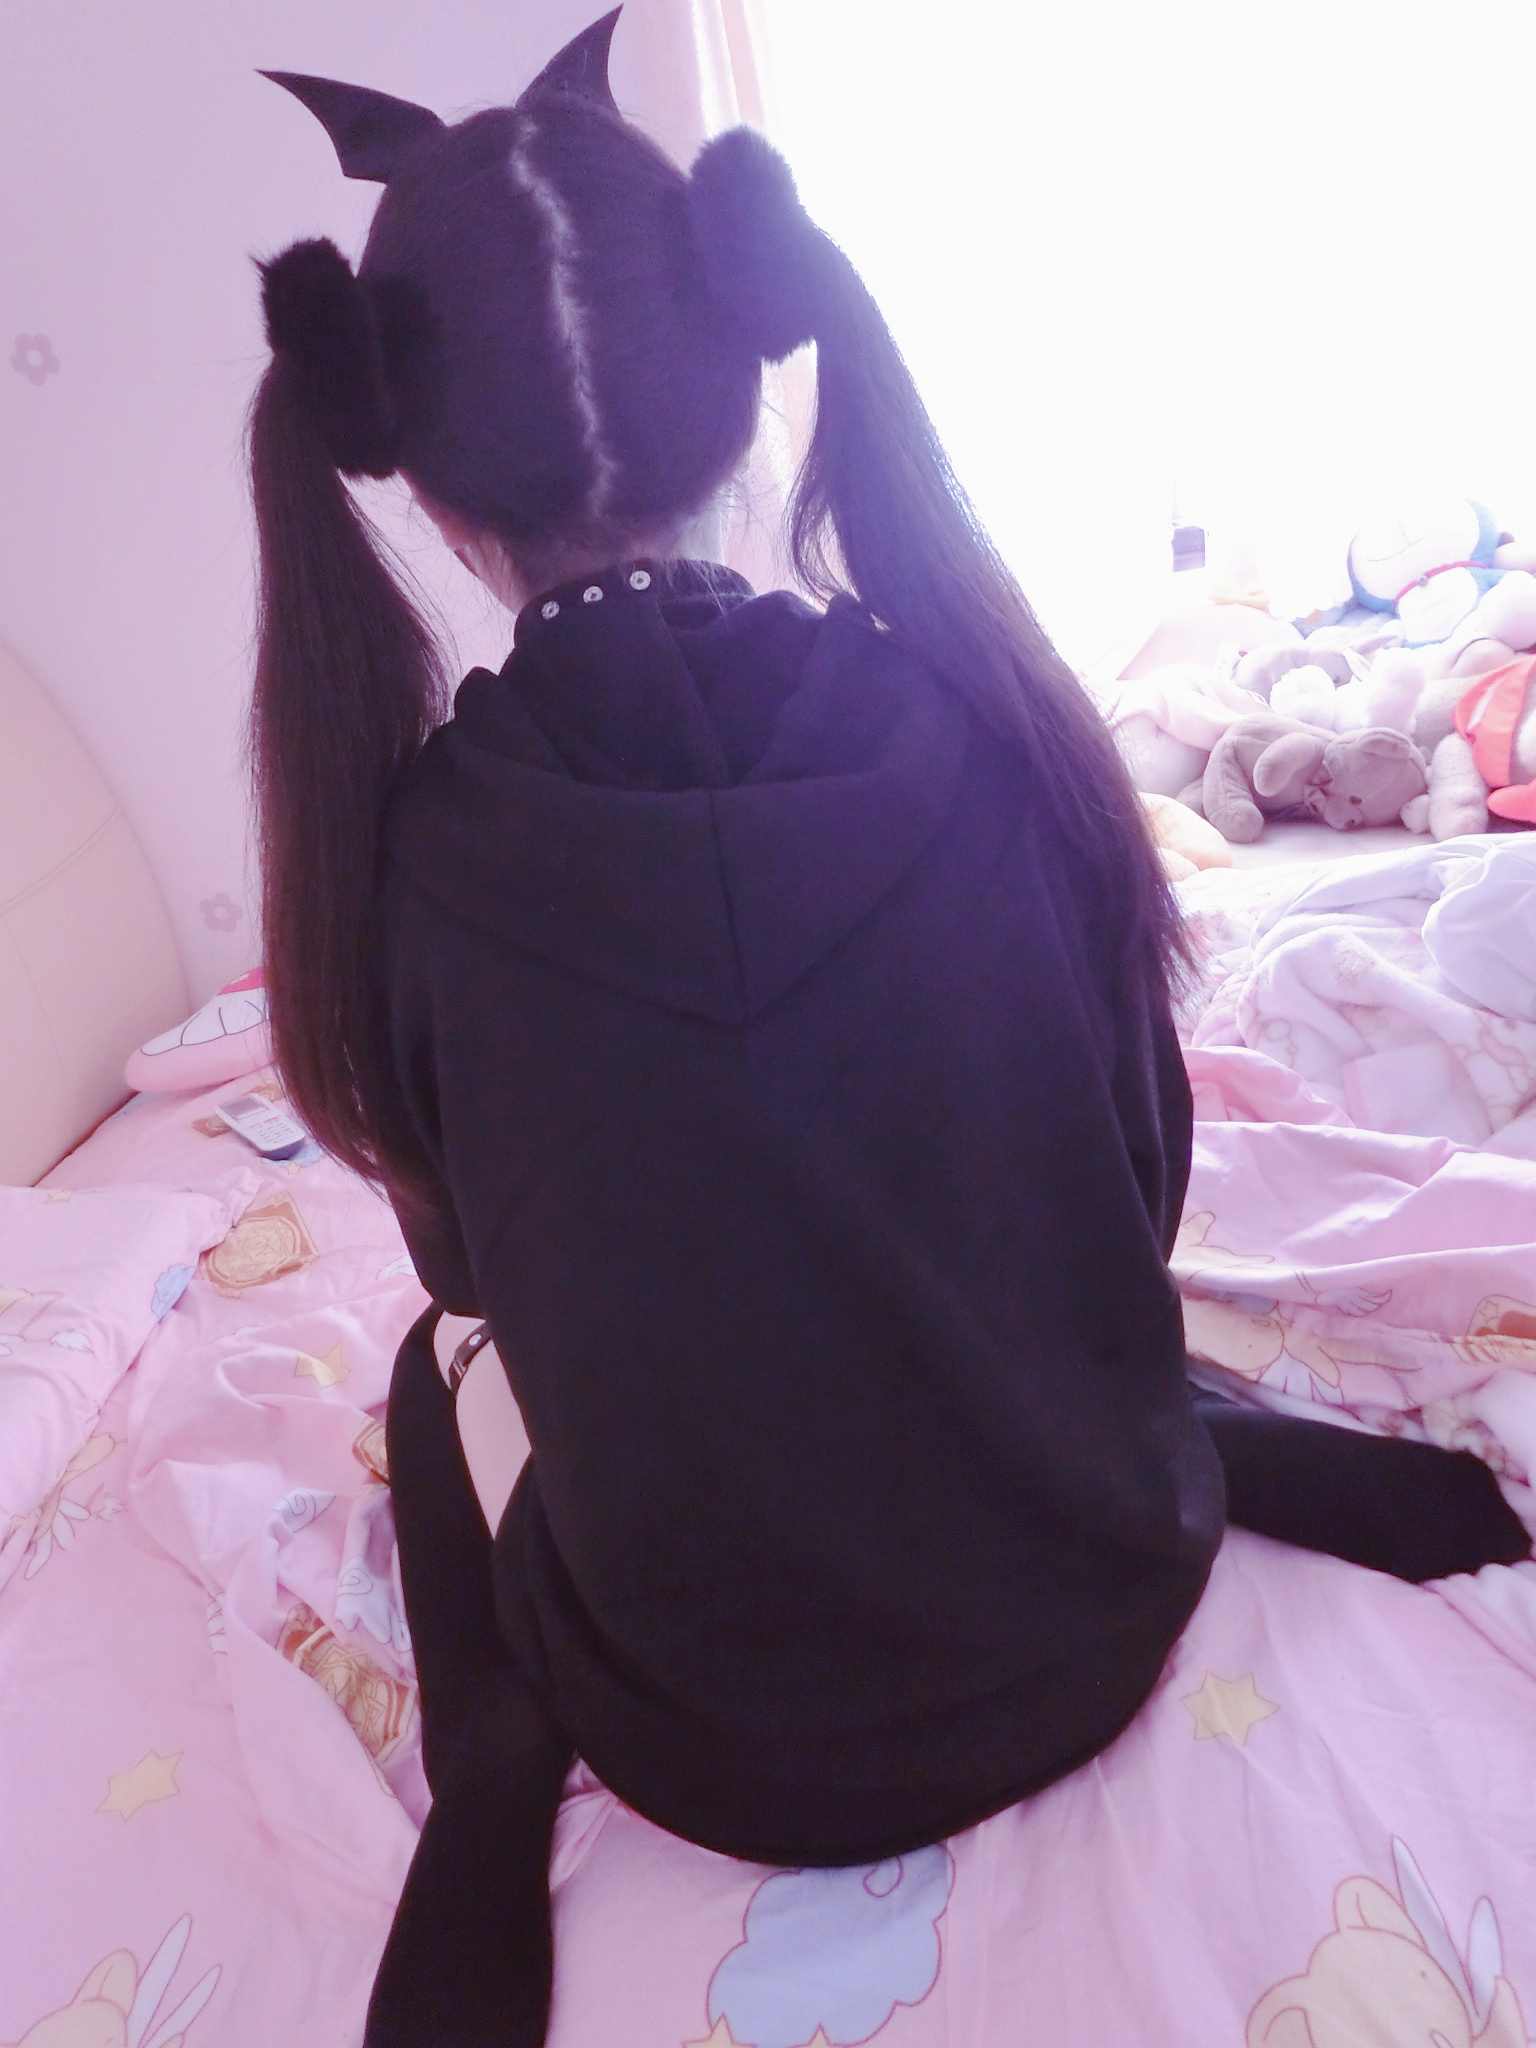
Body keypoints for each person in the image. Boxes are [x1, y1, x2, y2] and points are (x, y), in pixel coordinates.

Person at [245, 16, 1528, 2045]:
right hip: (1107, 1579)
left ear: (427, 486)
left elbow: (477, 1276)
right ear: (744, 379)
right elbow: (1136, 1181)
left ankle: (494, 1759)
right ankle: (1187, 1437)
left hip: (714, 1735)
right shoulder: (992, 718)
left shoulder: (409, 864)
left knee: (429, 1366)